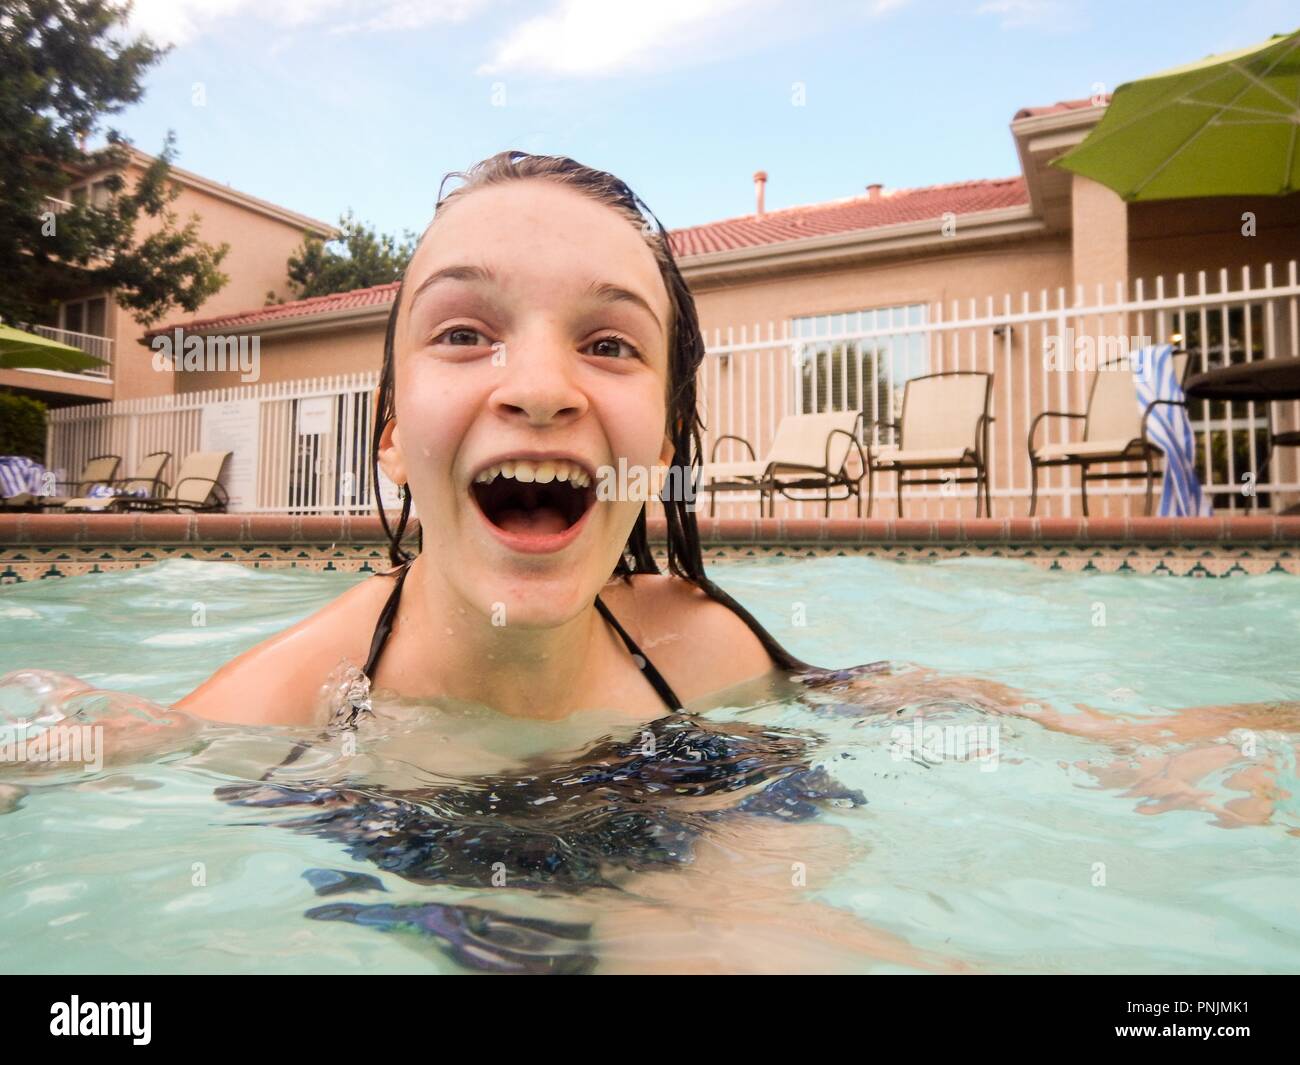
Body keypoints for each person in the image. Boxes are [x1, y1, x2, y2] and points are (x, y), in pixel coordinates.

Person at [176, 150, 833, 729]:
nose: (541, 388)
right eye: (464, 336)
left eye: (608, 344)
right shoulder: (260, 720)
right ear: (393, 434)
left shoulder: (706, 654)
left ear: (662, 453)